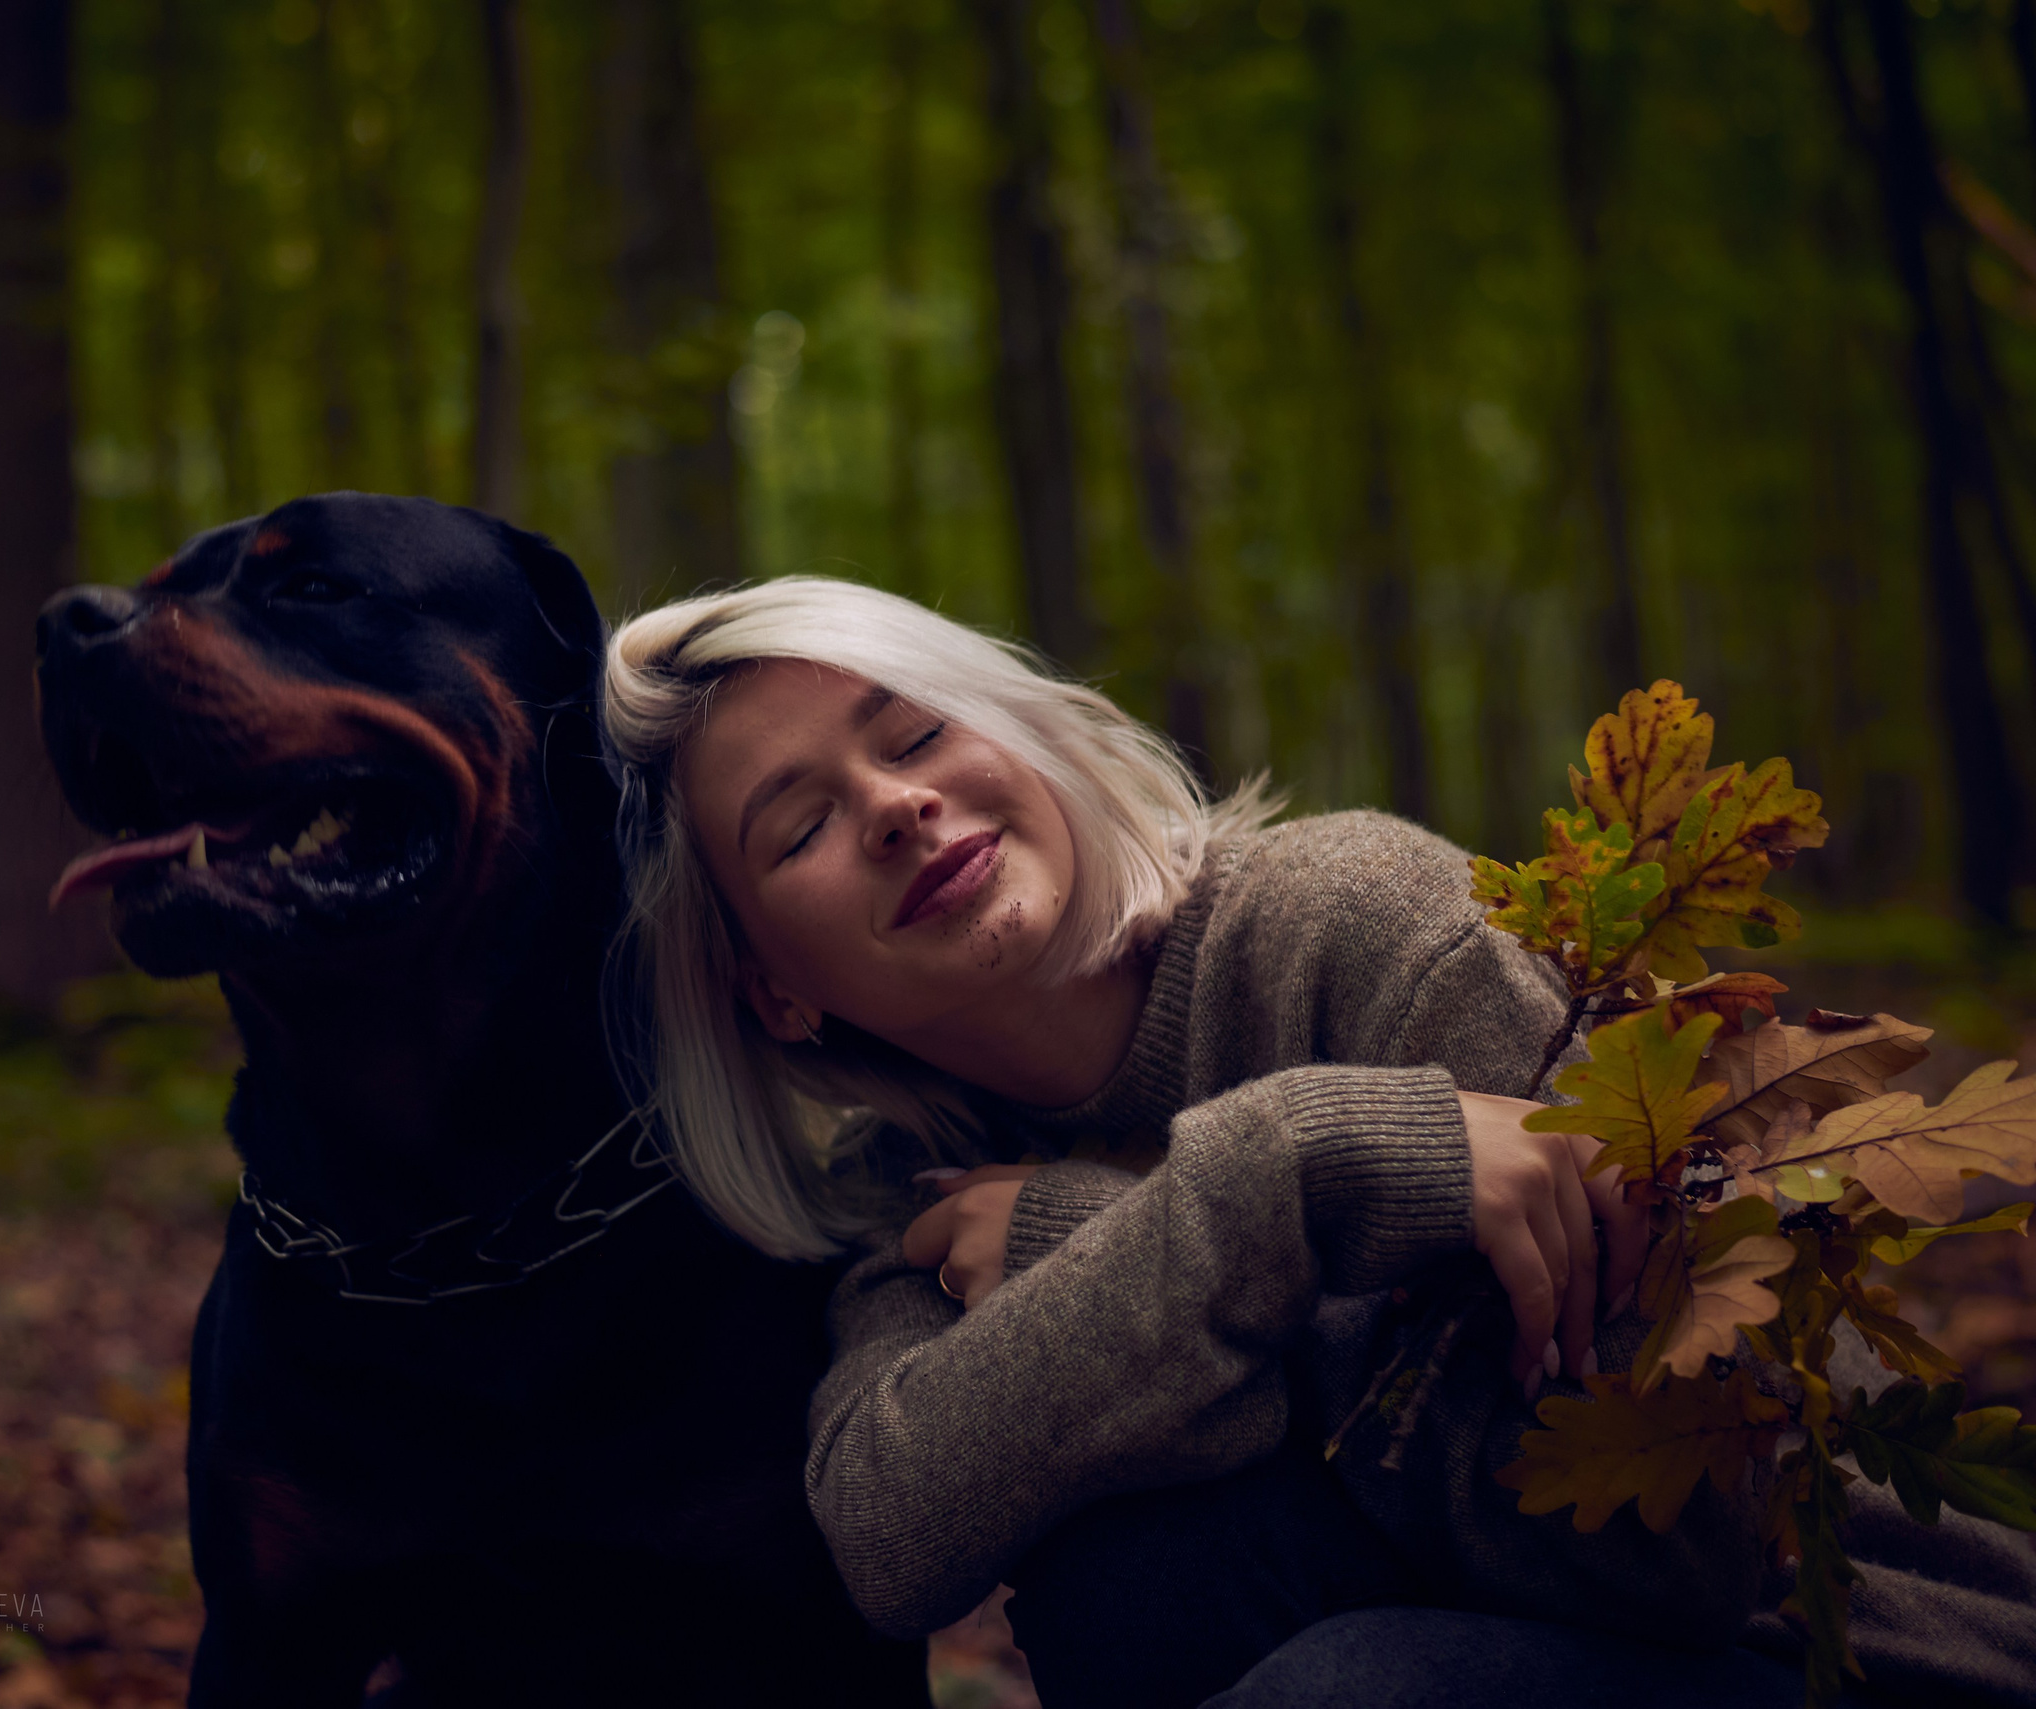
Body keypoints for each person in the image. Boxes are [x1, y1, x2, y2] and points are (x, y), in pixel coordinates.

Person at [598, 577, 2036, 1709]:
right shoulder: (915, 1188)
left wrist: (1142, 1233)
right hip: (1501, 1659)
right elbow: (889, 1524)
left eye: (915, 733)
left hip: (1868, 1656)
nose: (896, 806)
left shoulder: (1352, 925)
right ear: (771, 989)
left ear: (1020, 733)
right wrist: (1266, 1185)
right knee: (1128, 1586)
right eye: (801, 829)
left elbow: (1687, 1552)